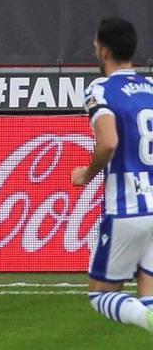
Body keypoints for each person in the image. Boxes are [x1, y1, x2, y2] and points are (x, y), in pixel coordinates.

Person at [71, 18, 153, 334]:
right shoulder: (149, 88)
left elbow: (108, 142)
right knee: (147, 295)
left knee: (101, 294)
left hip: (127, 207)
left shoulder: (101, 89)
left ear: (103, 50)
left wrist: (87, 174)